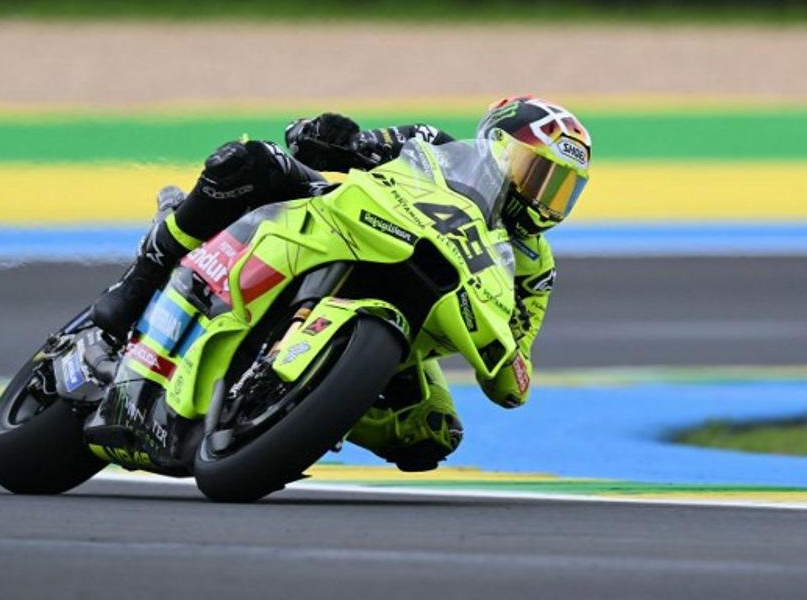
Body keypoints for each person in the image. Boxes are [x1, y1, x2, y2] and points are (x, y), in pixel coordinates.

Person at [91, 96, 592, 471]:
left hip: (409, 322)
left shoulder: (534, 267)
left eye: (561, 188)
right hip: (347, 226)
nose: (545, 197)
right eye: (538, 174)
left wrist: (513, 364)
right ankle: (144, 276)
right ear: (497, 149)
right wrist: (333, 136)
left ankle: (304, 409)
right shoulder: (435, 145)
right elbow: (356, 144)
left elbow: (516, 361)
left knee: (431, 435)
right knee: (248, 161)